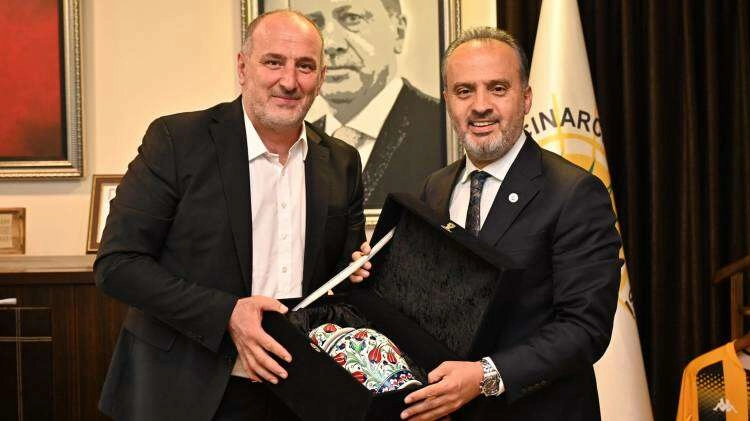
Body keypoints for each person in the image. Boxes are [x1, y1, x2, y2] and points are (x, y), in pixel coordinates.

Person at [95, 10, 365, 421]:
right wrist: (227, 314)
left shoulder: (342, 161)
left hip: (300, 392)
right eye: (273, 62)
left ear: (321, 77)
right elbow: (118, 264)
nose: (289, 81)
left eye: (305, 67)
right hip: (185, 390)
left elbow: (343, 278)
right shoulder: (176, 141)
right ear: (242, 67)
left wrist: (362, 269)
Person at [351, 27, 622, 420]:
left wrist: (485, 376)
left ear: (525, 97)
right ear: (447, 100)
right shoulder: (435, 188)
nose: (480, 106)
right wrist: (378, 273)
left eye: (497, 88)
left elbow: (584, 329)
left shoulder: (575, 193)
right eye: (464, 91)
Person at [294, 0, 443, 209]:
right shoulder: (295, 141)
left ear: (398, 32)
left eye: (352, 18)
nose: (330, 44)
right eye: (314, 24)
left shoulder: (443, 127)